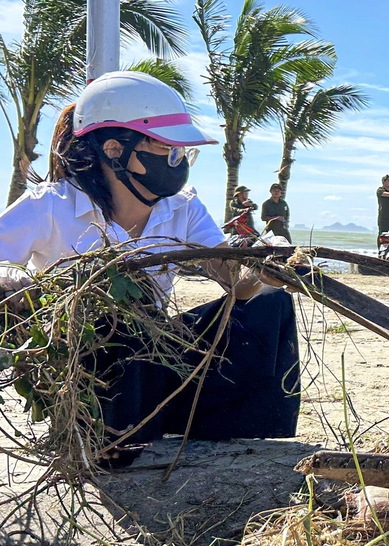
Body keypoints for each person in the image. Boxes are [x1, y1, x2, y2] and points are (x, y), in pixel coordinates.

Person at [0, 71, 300, 449]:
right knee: (118, 313)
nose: (178, 162)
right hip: (86, 366)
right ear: (114, 149)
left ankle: (240, 431)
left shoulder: (182, 206)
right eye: (168, 150)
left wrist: (261, 268)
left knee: (268, 304)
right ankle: (116, 440)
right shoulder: (51, 205)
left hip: (157, 355)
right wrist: (16, 286)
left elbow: (233, 281)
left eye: (182, 153)